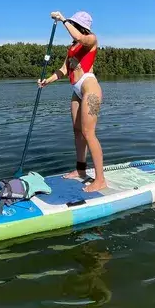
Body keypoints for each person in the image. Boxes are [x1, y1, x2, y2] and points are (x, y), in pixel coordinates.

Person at [38, 11, 106, 192]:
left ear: (79, 26)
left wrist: (63, 20)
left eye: (74, 24)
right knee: (77, 132)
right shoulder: (73, 47)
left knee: (88, 132)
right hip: (77, 90)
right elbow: (63, 70)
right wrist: (47, 81)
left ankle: (100, 180)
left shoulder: (91, 39)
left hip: (90, 89)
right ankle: (81, 170)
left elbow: (80, 38)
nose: (72, 27)